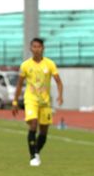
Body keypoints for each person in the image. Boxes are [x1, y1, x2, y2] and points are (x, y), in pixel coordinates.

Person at [12, 38, 64, 167]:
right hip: (31, 99)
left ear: (43, 48)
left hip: (45, 102)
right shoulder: (25, 65)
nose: (36, 49)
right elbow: (19, 85)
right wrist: (14, 102)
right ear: (30, 49)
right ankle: (32, 157)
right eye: (34, 47)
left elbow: (58, 81)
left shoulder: (50, 64)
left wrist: (60, 96)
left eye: (39, 47)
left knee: (44, 131)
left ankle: (36, 152)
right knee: (33, 123)